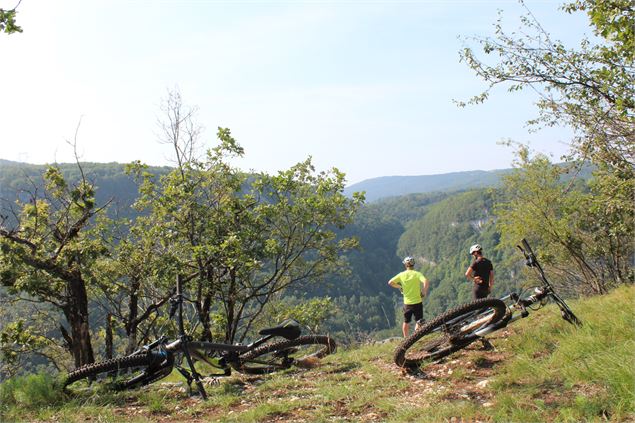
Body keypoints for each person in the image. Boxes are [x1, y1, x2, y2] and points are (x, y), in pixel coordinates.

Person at [388, 256, 429, 337]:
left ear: (405, 265)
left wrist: (399, 287)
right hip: (418, 302)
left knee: (406, 321)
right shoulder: (417, 274)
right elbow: (426, 281)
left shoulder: (401, 275)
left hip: (407, 303)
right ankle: (416, 336)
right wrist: (424, 291)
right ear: (413, 264)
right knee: (419, 321)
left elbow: (390, 282)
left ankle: (406, 339)